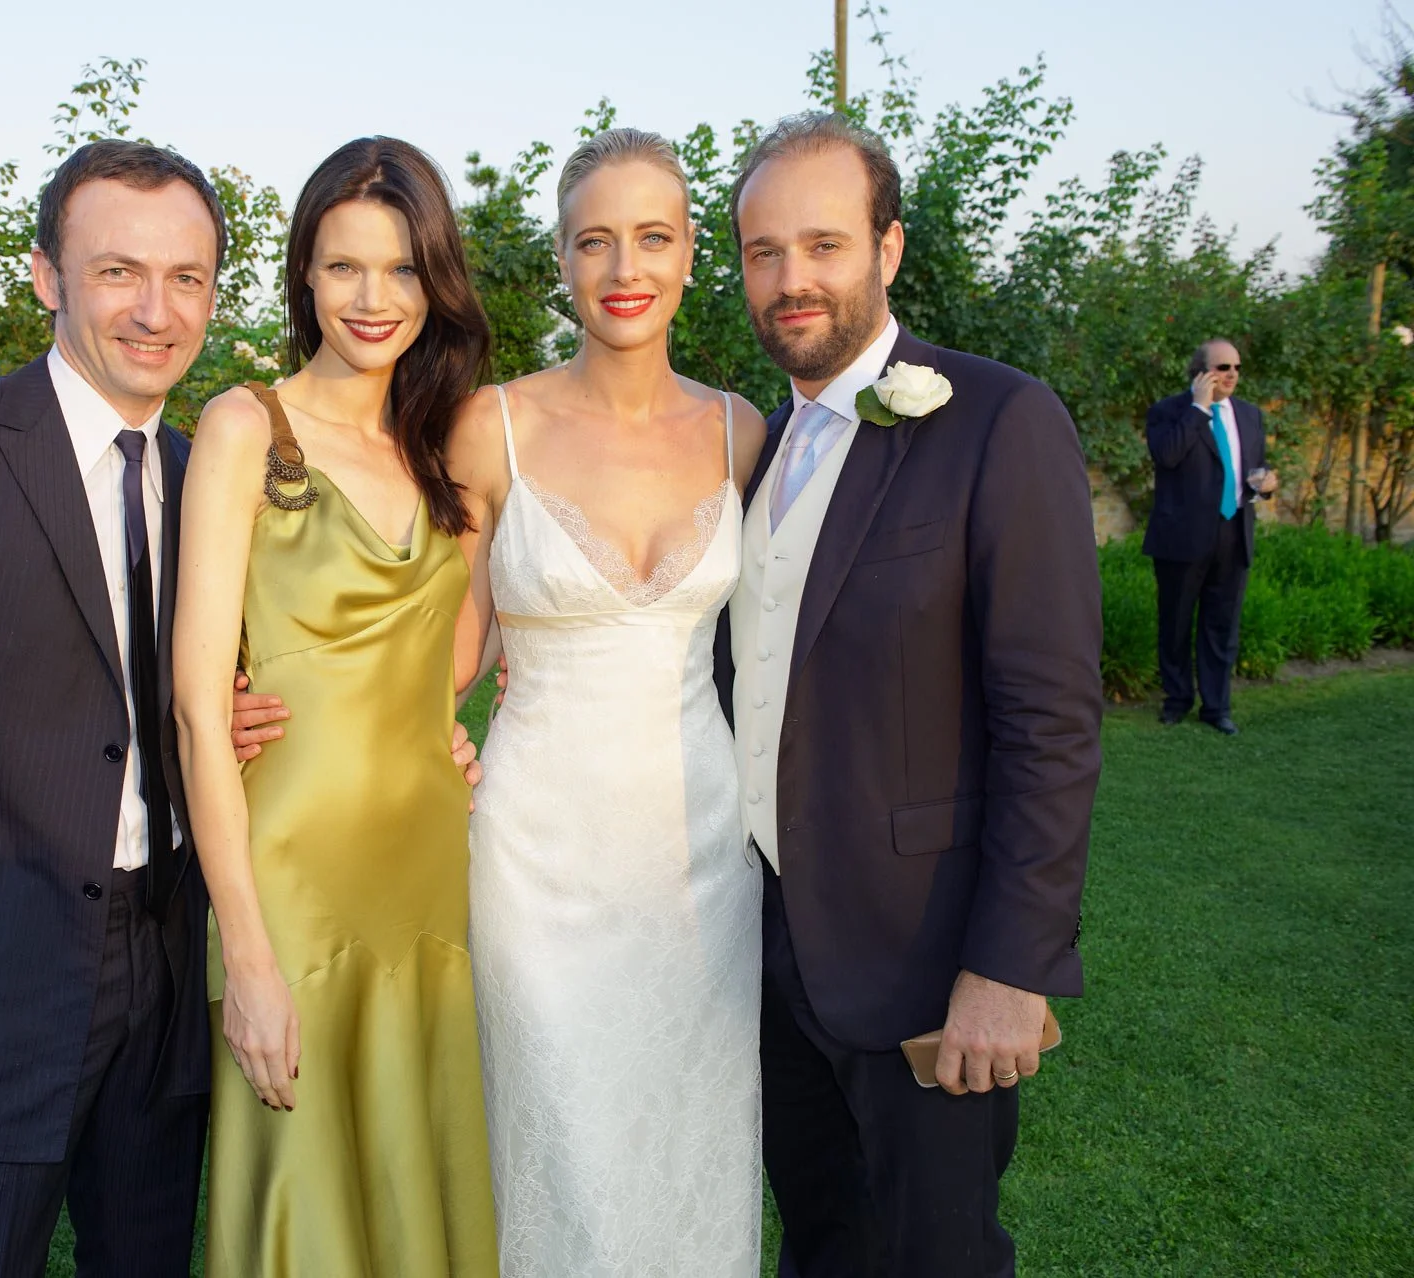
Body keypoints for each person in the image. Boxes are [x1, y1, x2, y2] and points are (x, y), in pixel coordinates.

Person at [0, 139, 480, 1277]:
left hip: (166, 969)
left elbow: (219, 687)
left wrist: (362, 723)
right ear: (49, 275)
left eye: (188, 278)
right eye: (119, 272)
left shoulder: (209, 465)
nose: (157, 310)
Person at [719, 112, 1102, 1277]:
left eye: (824, 246)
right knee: (823, 1244)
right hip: (772, 948)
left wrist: (1009, 967)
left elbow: (1050, 723)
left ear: (887, 250)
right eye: (764, 253)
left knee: (937, 1256)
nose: (793, 281)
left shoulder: (997, 419)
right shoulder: (761, 443)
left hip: (929, 960)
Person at [173, 136, 498, 1278]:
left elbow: (457, 657)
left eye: (404, 270)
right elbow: (199, 715)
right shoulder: (244, 429)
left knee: (422, 1179)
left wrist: (438, 738)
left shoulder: (440, 448)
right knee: (305, 1202)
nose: (373, 299)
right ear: (303, 275)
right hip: (294, 887)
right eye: (344, 266)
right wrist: (247, 959)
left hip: (427, 875)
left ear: (436, 282)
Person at [445, 128, 767, 1277]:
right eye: (596, 240)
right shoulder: (494, 427)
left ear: (691, 259)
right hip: (538, 856)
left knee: (688, 1139)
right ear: (564, 262)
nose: (624, 265)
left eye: (653, 236)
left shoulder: (743, 432)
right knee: (555, 1132)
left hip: (700, 857)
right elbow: (454, 642)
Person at [1143, 339, 1278, 735]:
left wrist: (1265, 483)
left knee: (1222, 626)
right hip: (1181, 538)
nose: (1232, 374)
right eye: (1222, 367)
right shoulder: (1168, 411)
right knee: (1176, 623)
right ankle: (1176, 700)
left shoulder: (1250, 415)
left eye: (1236, 367)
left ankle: (1217, 708)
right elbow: (1166, 456)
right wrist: (1199, 409)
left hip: (1234, 532)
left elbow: (1253, 468)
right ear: (1200, 372)